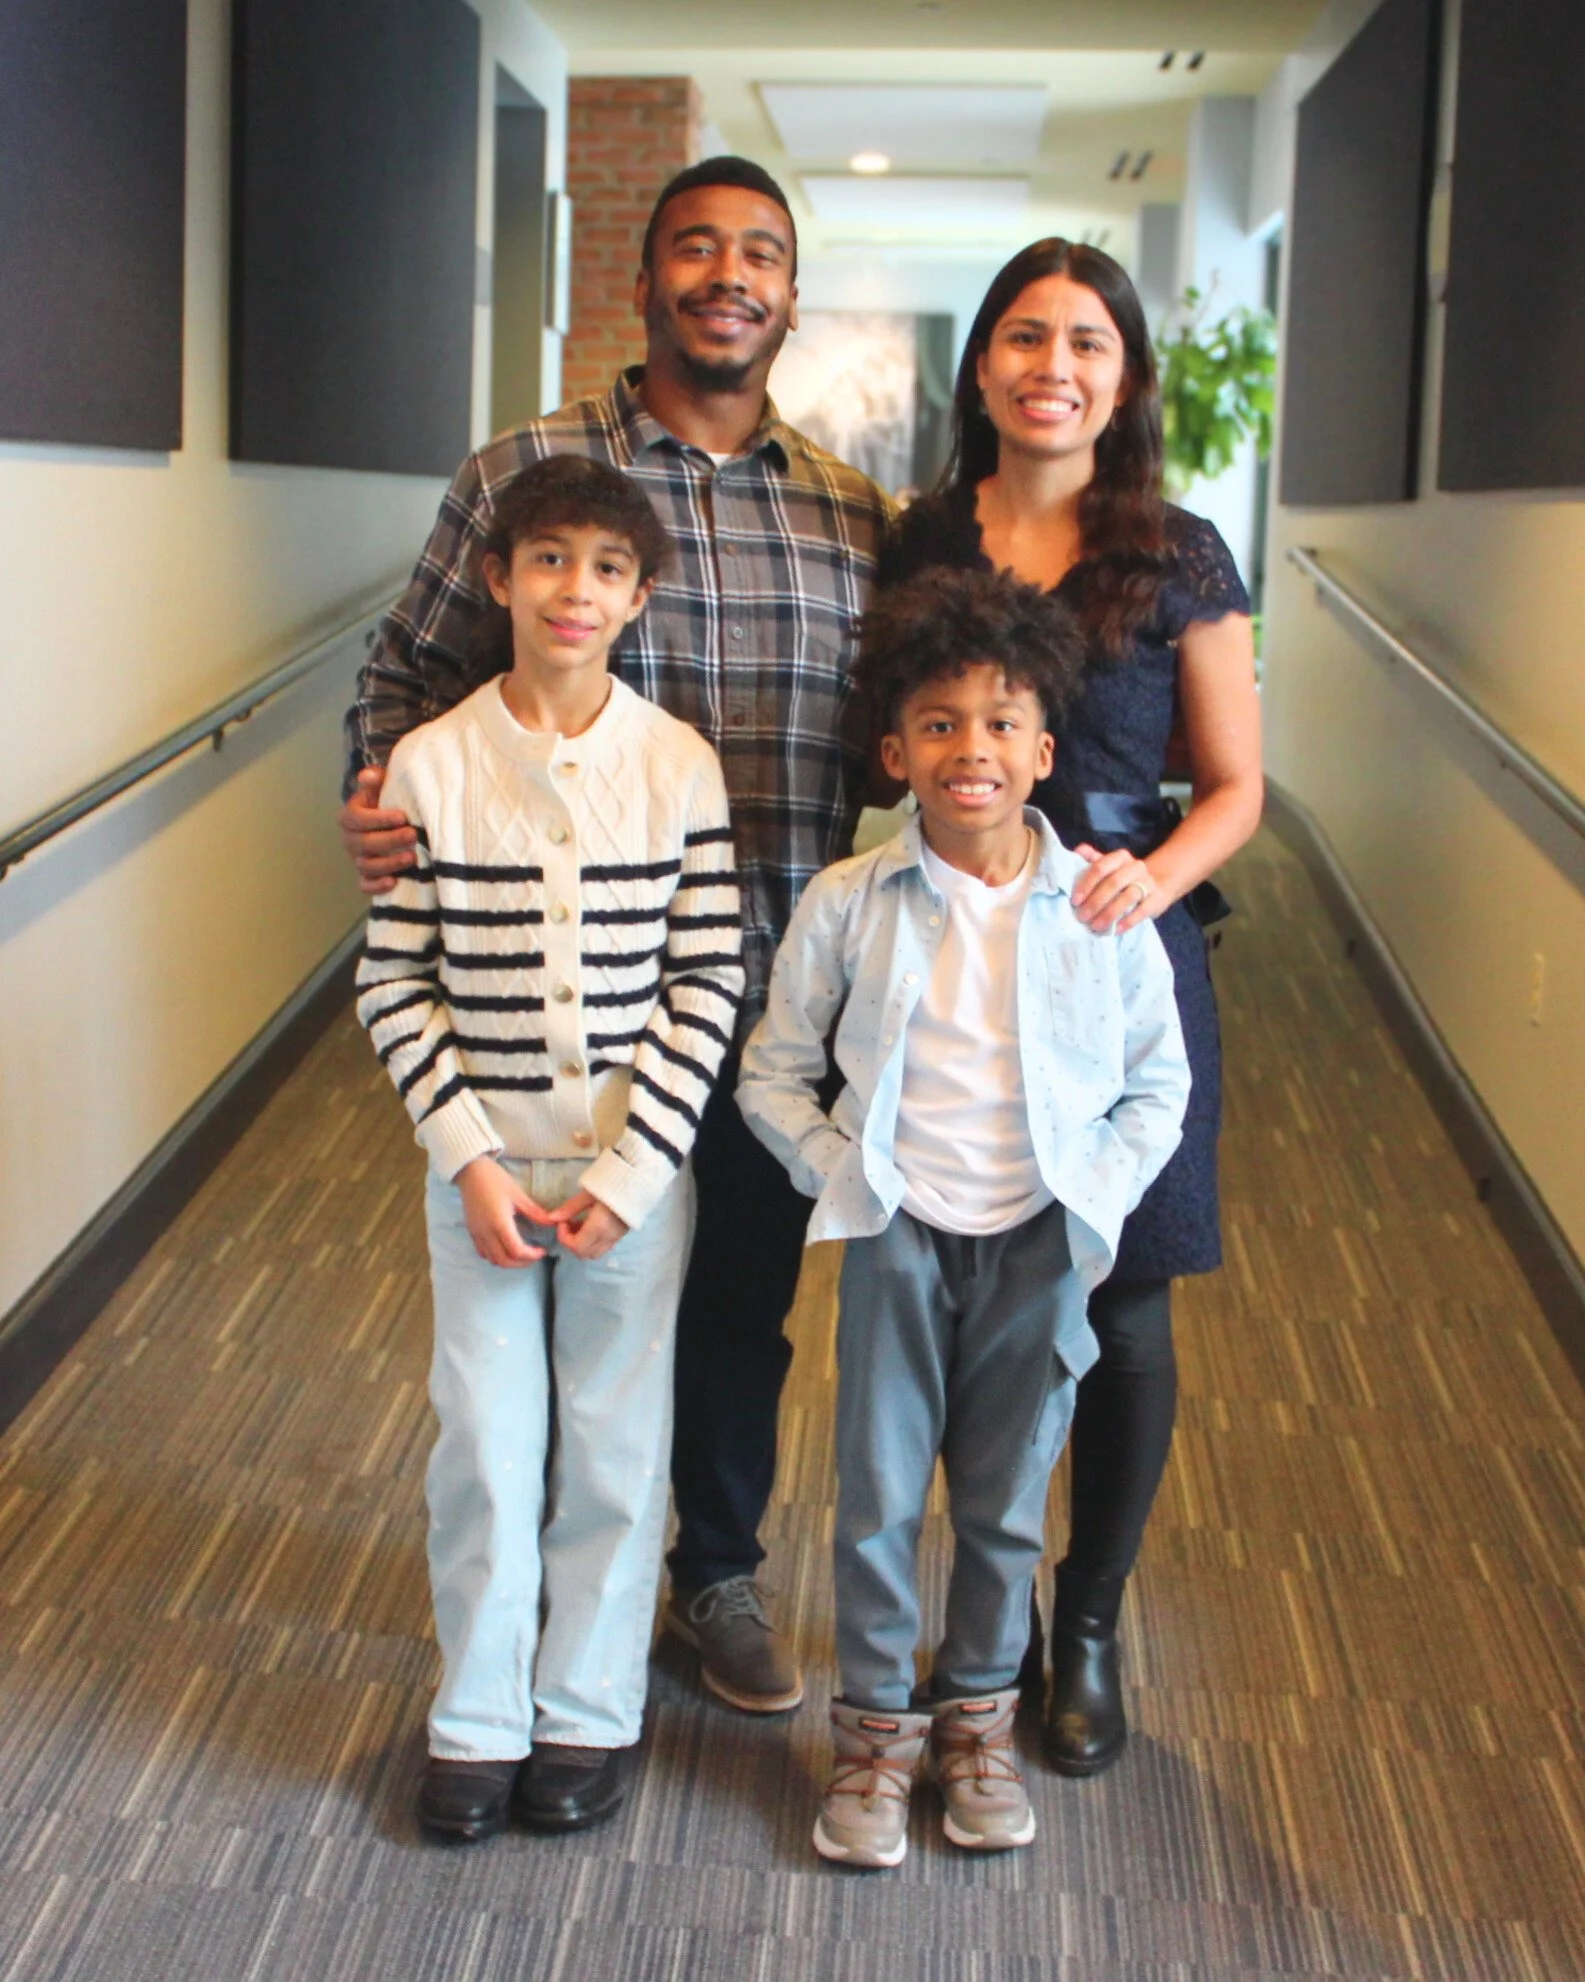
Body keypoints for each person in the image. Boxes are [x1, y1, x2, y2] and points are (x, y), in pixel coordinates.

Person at [339, 158, 893, 1718]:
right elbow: (403, 675)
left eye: (764, 254)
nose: (733, 275)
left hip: (773, 981)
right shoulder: (529, 468)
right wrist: (382, 803)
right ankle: (523, 1634)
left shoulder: (851, 507)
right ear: (645, 278)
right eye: (700, 249)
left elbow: (896, 729)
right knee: (530, 1338)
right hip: (556, 995)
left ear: (791, 290)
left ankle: (709, 1568)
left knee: (732, 1307)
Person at [877, 239, 1263, 1777]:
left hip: (1119, 950)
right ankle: (1000, 1617)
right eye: (1026, 335)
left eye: (1088, 340)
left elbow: (1235, 787)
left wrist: (1152, 881)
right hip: (956, 948)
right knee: (974, 1294)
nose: (1055, 363)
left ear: (1124, 375)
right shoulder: (921, 536)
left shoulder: (1180, 553)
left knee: (1125, 1293)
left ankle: (1089, 1619)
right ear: (983, 365)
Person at [737, 566, 1191, 1869]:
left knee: (1000, 1504)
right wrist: (842, 1170)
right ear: (896, 752)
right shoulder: (847, 903)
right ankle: (877, 1734)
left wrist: (1091, 1193)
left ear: (1044, 749)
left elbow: (1159, 1084)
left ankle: (976, 1723)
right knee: (877, 1499)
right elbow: (773, 1070)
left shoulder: (1103, 908)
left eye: (1001, 722)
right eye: (939, 723)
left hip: (1040, 1241)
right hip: (896, 1234)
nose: (971, 748)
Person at [355, 455, 744, 1843]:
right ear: (501, 577)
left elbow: (709, 980)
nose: (574, 590)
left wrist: (635, 1169)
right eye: (549, 561)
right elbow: (392, 982)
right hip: (484, 1172)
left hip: (632, 1174)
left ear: (639, 595)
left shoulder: (679, 765)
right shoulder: (432, 762)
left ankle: (586, 1705)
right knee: (485, 1432)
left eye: (605, 568)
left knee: (615, 1442)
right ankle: (476, 1710)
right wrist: (467, 1157)